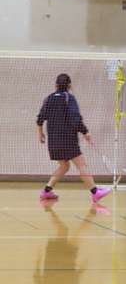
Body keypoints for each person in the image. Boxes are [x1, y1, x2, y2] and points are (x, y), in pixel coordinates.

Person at [37, 73, 111, 204]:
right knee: (82, 165)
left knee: (64, 166)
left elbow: (40, 118)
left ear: (56, 85)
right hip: (68, 140)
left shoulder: (49, 99)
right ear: (70, 85)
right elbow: (75, 119)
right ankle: (95, 193)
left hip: (53, 141)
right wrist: (85, 132)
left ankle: (47, 191)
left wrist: (40, 133)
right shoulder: (69, 98)